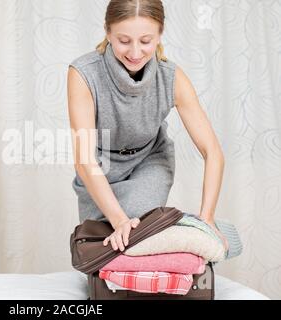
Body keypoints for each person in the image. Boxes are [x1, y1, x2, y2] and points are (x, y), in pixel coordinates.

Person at [67, 0, 229, 253]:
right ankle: (174, 228)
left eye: (145, 41)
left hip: (149, 161)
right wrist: (118, 220)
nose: (134, 52)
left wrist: (207, 217)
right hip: (99, 166)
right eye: (123, 40)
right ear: (108, 32)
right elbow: (84, 160)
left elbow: (213, 152)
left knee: (136, 233)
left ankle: (190, 231)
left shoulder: (172, 78)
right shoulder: (84, 73)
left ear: (159, 34)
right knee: (102, 243)